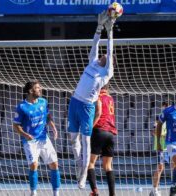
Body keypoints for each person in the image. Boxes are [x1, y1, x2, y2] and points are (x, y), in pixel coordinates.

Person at [67, 11, 116, 189]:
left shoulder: (106, 73)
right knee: (73, 139)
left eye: (106, 56)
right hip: (74, 102)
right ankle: (80, 167)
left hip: (87, 107)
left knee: (86, 141)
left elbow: (110, 50)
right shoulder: (92, 63)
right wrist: (99, 27)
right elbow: (95, 44)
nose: (103, 55)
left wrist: (110, 32)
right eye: (102, 55)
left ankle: (83, 177)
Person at [13, 80, 60, 196]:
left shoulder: (43, 102)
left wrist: (53, 126)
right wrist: (25, 135)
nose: (40, 89)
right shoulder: (22, 107)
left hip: (44, 138)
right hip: (30, 141)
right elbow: (15, 126)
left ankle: (56, 193)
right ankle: (33, 192)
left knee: (54, 164)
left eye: (40, 87)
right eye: (37, 88)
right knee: (34, 165)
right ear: (30, 91)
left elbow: (47, 115)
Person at [87, 84, 117, 196]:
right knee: (108, 166)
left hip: (99, 131)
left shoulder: (97, 96)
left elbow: (99, 113)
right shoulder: (110, 98)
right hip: (111, 133)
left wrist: (90, 128)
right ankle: (112, 194)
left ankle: (95, 191)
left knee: (90, 163)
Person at [149, 102, 169, 196]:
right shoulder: (158, 119)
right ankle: (155, 189)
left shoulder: (171, 119)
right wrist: (161, 135)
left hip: (170, 146)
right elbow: (153, 132)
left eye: (167, 107)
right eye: (164, 107)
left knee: (175, 167)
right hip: (161, 146)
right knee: (160, 167)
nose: (165, 109)